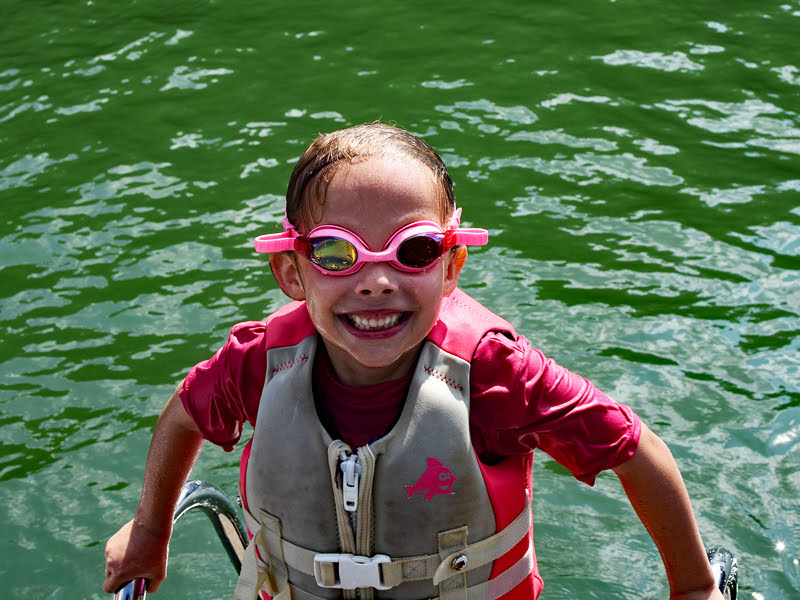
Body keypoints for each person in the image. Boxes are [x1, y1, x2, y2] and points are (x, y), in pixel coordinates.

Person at [103, 122, 723, 600]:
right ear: (291, 272)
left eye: (415, 250)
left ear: (452, 267)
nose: (376, 281)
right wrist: (150, 533)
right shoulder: (257, 362)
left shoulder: (496, 374)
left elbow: (636, 450)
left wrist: (692, 585)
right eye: (336, 254)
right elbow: (183, 415)